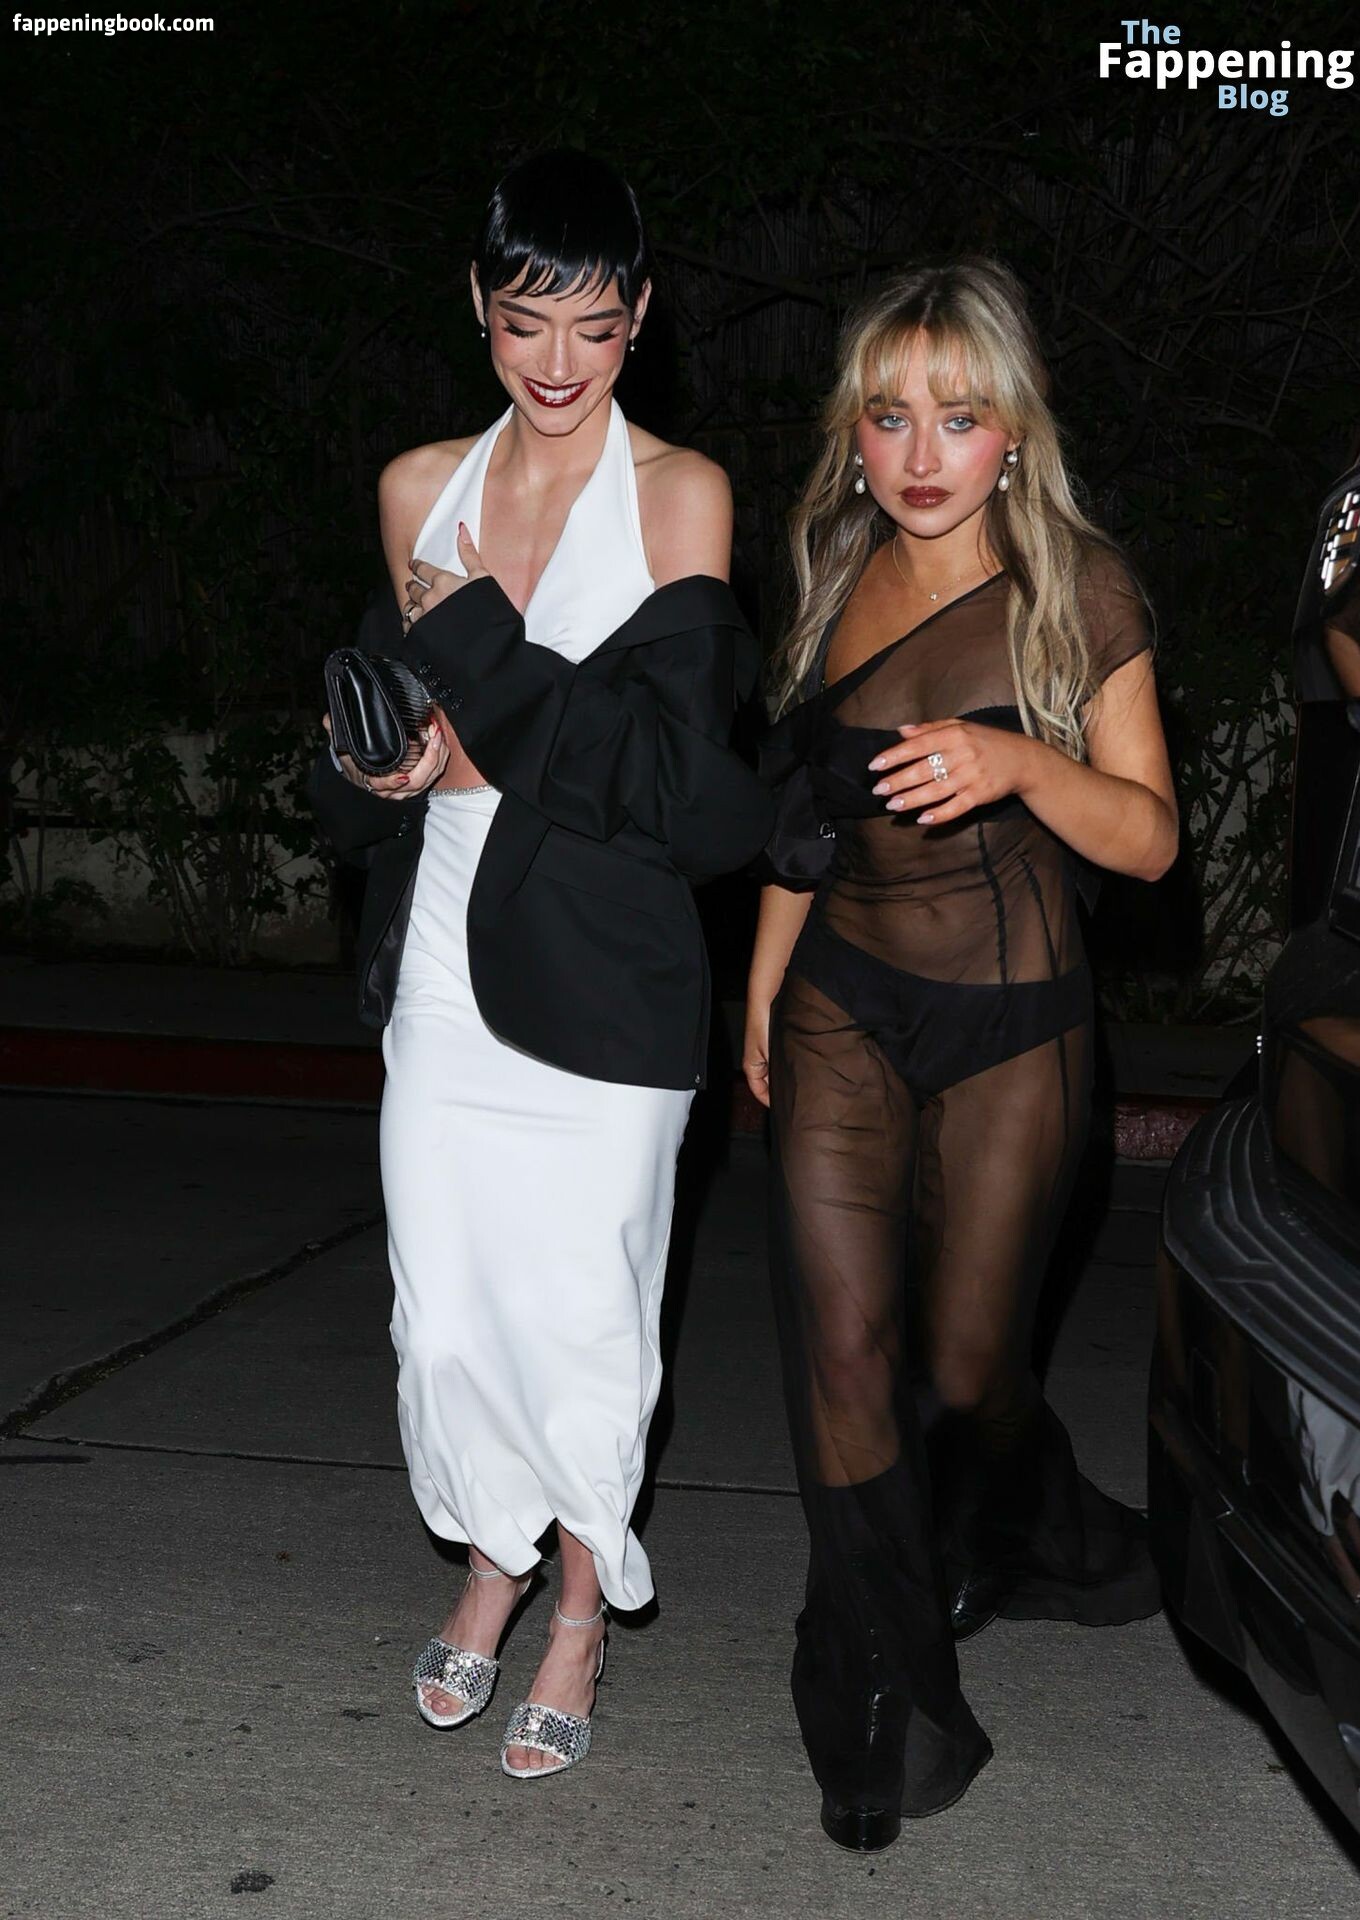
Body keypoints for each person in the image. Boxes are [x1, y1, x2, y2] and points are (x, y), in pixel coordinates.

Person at [310, 151, 773, 1780]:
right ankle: (490, 1556)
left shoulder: (682, 495)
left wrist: (475, 656)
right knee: (444, 1314)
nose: (558, 362)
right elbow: (390, 743)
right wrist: (378, 768)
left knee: (584, 1323)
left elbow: (676, 793)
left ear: (640, 313)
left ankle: (574, 1607)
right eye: (524, 323)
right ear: (479, 310)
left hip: (614, 974)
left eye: (592, 324)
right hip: (445, 952)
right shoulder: (415, 489)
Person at [743, 258, 1178, 1851]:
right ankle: (880, 1703)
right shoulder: (833, 566)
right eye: (886, 416)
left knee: (968, 1370)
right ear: (851, 434)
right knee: (844, 1356)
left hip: (1013, 1020)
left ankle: (1033, 1527)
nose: (918, 453)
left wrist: (1019, 764)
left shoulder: (1076, 590)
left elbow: (1147, 840)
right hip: (841, 1002)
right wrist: (760, 988)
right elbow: (807, 818)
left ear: (1013, 433)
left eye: (956, 416)